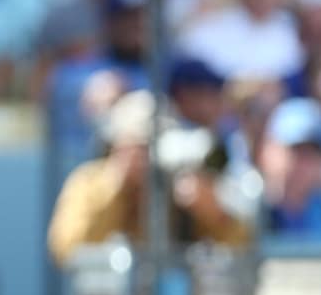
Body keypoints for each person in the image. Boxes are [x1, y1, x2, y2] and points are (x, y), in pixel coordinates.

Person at [47, 89, 255, 266]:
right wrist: (116, 185)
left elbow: (242, 247)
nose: (149, 158)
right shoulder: (90, 182)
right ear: (118, 146)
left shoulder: (182, 185)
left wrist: (215, 213)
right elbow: (66, 249)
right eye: (141, 145)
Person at [258, 96, 321, 234]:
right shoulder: (248, 211)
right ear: (268, 150)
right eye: (295, 150)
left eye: (312, 153)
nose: (303, 164)